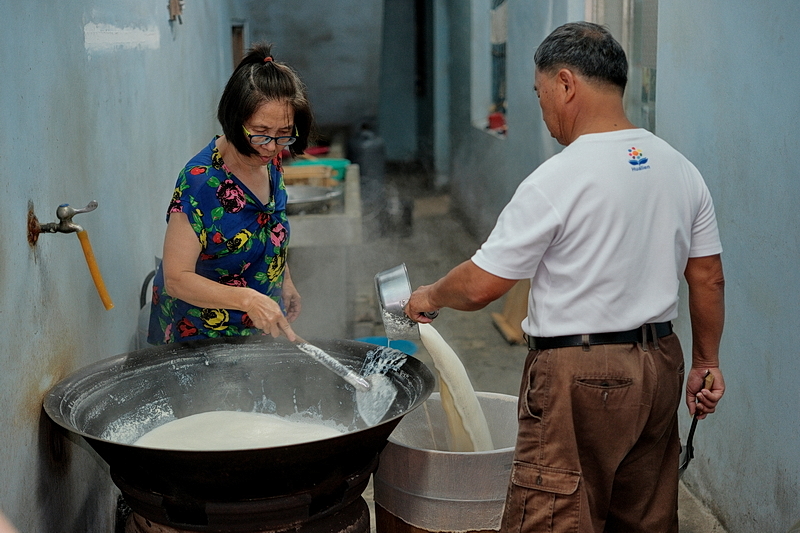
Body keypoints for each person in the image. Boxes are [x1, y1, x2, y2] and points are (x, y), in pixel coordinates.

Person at [405, 22, 725, 532]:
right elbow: (707, 277)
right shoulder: (680, 169)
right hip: (660, 366)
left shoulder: (558, 177)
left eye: (539, 93)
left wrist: (429, 295)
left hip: (579, 376)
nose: (543, 108)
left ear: (566, 83)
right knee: (644, 516)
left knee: (555, 517)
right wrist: (706, 363)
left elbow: (483, 284)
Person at [148, 43, 312, 345]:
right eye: (260, 132)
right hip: (199, 336)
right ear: (234, 119)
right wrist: (249, 299)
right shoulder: (200, 182)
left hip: (254, 331)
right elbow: (176, 279)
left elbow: (268, 228)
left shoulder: (270, 157)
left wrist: (284, 279)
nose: (271, 146)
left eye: (283, 134)